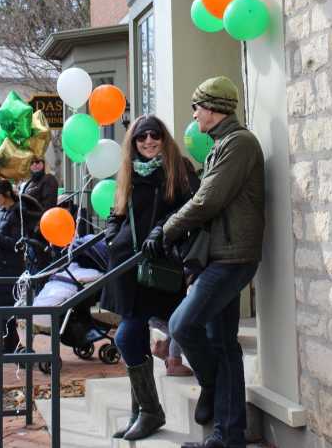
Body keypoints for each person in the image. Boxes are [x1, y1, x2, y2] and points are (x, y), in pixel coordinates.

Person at [163, 76, 265, 448]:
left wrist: (168, 229)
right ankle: (228, 434)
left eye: (197, 106)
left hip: (233, 257)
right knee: (223, 345)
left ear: (214, 109)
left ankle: (212, 388)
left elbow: (209, 200)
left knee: (181, 324)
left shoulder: (239, 144)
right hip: (218, 256)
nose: (194, 114)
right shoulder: (222, 144)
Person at [100, 114, 199, 441]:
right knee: (135, 335)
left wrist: (163, 231)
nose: (148, 142)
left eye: (154, 136)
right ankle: (140, 411)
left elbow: (190, 210)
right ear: (133, 141)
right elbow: (117, 213)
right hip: (128, 267)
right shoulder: (128, 171)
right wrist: (113, 235)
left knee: (128, 337)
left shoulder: (178, 168)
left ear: (163, 137)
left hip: (159, 266)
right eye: (141, 138)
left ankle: (152, 411)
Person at [0, 178, 42, 353]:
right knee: (2, 311)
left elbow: (16, 244)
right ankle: (6, 347)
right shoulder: (2, 213)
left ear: (5, 195)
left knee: (8, 310)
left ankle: (12, 347)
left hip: (10, 267)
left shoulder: (17, 213)